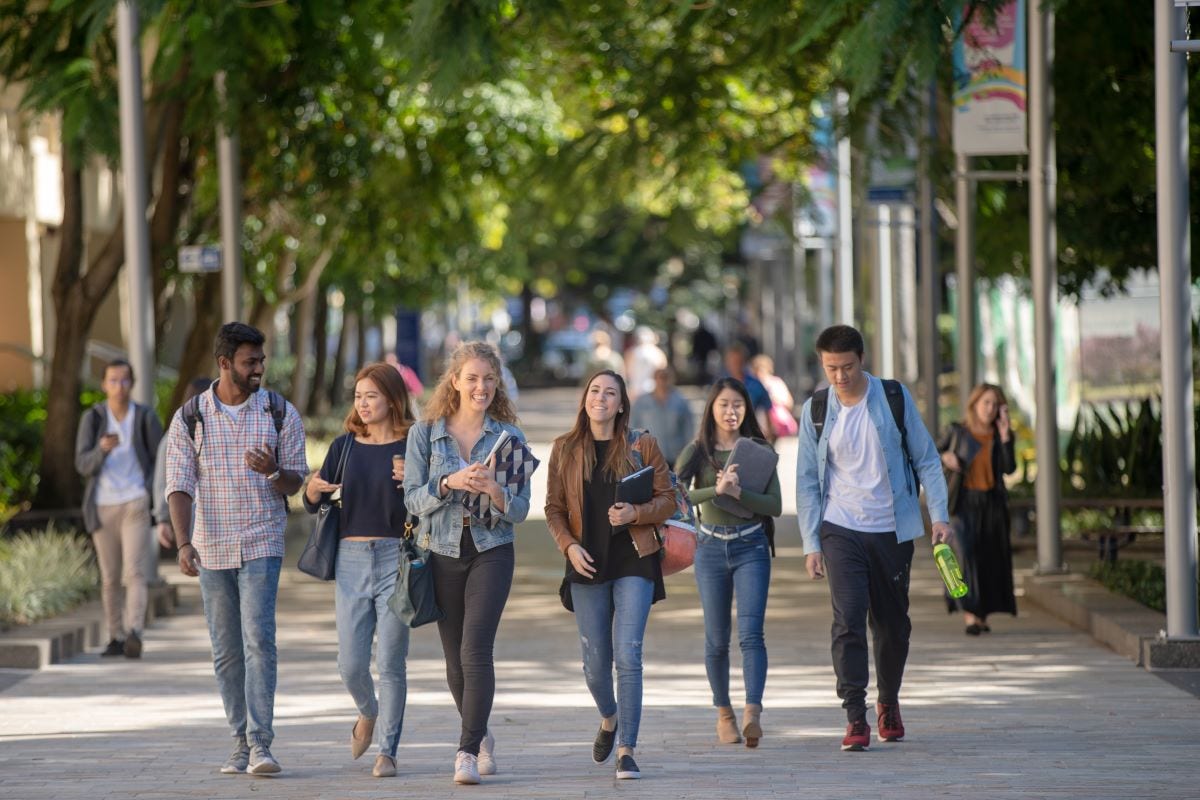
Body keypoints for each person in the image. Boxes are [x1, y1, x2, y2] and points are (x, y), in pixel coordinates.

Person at [795, 324, 951, 751]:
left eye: (846, 367)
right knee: (847, 620)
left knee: (892, 624)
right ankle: (855, 716)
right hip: (839, 527)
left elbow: (927, 460)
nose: (840, 376)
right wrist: (811, 543)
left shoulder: (894, 398)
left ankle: (889, 701)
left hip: (891, 529)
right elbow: (807, 481)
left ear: (861, 360)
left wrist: (939, 516)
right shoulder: (817, 409)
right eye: (831, 368)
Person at [165, 322, 308, 776]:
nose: (259, 369)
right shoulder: (191, 417)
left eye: (261, 361)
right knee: (226, 650)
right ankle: (238, 743)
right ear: (224, 364)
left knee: (258, 640)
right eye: (251, 362)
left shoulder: (279, 412)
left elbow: (297, 480)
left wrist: (273, 471)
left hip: (262, 539)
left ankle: (261, 743)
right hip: (210, 546)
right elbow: (178, 485)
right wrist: (184, 543)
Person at [403, 341, 531, 785]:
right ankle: (481, 734)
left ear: (498, 385)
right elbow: (413, 499)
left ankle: (465, 751)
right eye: (473, 378)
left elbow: (518, 510)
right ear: (454, 381)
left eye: (489, 380)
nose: (481, 387)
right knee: (454, 660)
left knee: (476, 650)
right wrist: (448, 482)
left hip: (491, 550)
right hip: (441, 551)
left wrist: (496, 492)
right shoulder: (426, 432)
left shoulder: (509, 438)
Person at [544, 370, 675, 781]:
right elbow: (553, 509)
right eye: (595, 391)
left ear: (621, 404)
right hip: (587, 561)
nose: (601, 398)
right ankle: (609, 716)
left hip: (635, 558)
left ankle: (627, 749)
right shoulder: (564, 449)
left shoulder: (642, 444)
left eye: (610, 393)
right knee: (595, 665)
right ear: (585, 399)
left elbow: (668, 498)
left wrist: (636, 513)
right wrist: (568, 545)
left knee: (628, 654)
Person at [303, 363, 415, 778]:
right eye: (358, 396)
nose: (363, 403)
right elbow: (316, 498)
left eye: (371, 395)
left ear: (391, 398)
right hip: (350, 561)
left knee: (391, 661)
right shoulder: (343, 447)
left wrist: (416, 479)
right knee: (350, 664)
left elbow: (431, 502)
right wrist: (312, 491)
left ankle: (387, 750)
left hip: (396, 558)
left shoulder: (413, 445)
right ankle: (368, 712)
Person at [676, 378, 781, 749]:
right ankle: (725, 714)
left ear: (746, 410)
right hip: (709, 549)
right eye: (723, 404)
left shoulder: (758, 450)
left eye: (738, 404)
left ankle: (753, 712)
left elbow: (775, 507)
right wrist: (714, 492)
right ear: (711, 408)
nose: (731, 411)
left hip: (751, 546)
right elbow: (675, 496)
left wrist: (741, 493)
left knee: (752, 635)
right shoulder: (698, 451)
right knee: (716, 640)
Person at [75, 359, 163, 659]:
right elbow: (82, 464)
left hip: (135, 501)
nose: (119, 387)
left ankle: (134, 631)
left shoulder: (144, 417)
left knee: (134, 572)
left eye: (124, 381)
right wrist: (101, 450)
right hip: (102, 505)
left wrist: (151, 495)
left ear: (132, 384)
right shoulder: (94, 418)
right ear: (104, 384)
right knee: (110, 577)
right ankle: (115, 636)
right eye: (113, 381)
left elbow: (159, 461)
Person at [939, 383, 1018, 635]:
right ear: (974, 404)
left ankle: (981, 615)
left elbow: (1009, 468)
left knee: (988, 559)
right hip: (962, 503)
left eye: (995, 404)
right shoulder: (957, 431)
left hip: (992, 505)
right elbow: (930, 451)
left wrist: (1005, 435)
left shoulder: (999, 435)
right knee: (966, 555)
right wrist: (945, 457)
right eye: (986, 402)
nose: (990, 409)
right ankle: (970, 614)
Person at [152, 377, 213, 584]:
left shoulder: (220, 431)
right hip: (190, 515)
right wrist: (161, 518)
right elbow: (163, 478)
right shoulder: (174, 435)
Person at [629, 367, 693, 467]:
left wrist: (687, 454)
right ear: (654, 379)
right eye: (660, 377)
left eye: (666, 377)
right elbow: (632, 426)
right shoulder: (641, 402)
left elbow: (688, 429)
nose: (663, 381)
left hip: (674, 457)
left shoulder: (680, 401)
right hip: (648, 456)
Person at [720, 343, 770, 431]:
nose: (735, 365)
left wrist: (768, 429)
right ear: (727, 362)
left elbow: (766, 407)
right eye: (732, 361)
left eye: (738, 361)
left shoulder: (755, 385)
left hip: (750, 430)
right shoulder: (720, 385)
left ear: (744, 362)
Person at [750, 354, 798, 440]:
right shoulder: (753, 385)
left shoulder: (776, 383)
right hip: (760, 427)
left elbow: (789, 403)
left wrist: (775, 401)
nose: (760, 374)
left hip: (775, 426)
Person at [624, 327, 668, 400]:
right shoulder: (658, 353)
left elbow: (627, 372)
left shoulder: (631, 352)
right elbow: (663, 371)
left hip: (635, 389)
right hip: (653, 388)